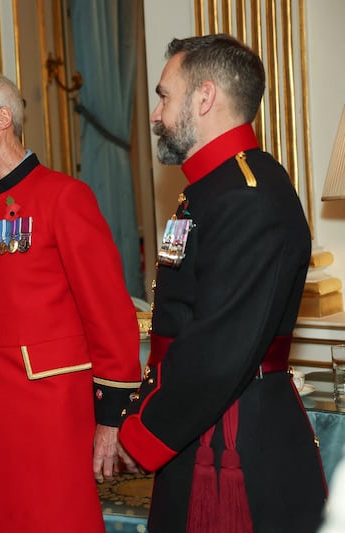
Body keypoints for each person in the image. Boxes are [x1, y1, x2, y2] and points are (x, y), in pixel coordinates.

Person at [117, 34, 326, 532]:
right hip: (200, 426)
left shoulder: (248, 197)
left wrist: (144, 430)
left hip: (234, 439)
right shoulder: (211, 190)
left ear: (204, 97)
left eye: (164, 96)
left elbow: (218, 347)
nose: (154, 114)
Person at [0, 73, 142, 533]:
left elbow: (109, 313)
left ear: (1, 119)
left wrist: (112, 416)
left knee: (53, 517)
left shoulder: (64, 197)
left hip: (49, 408)